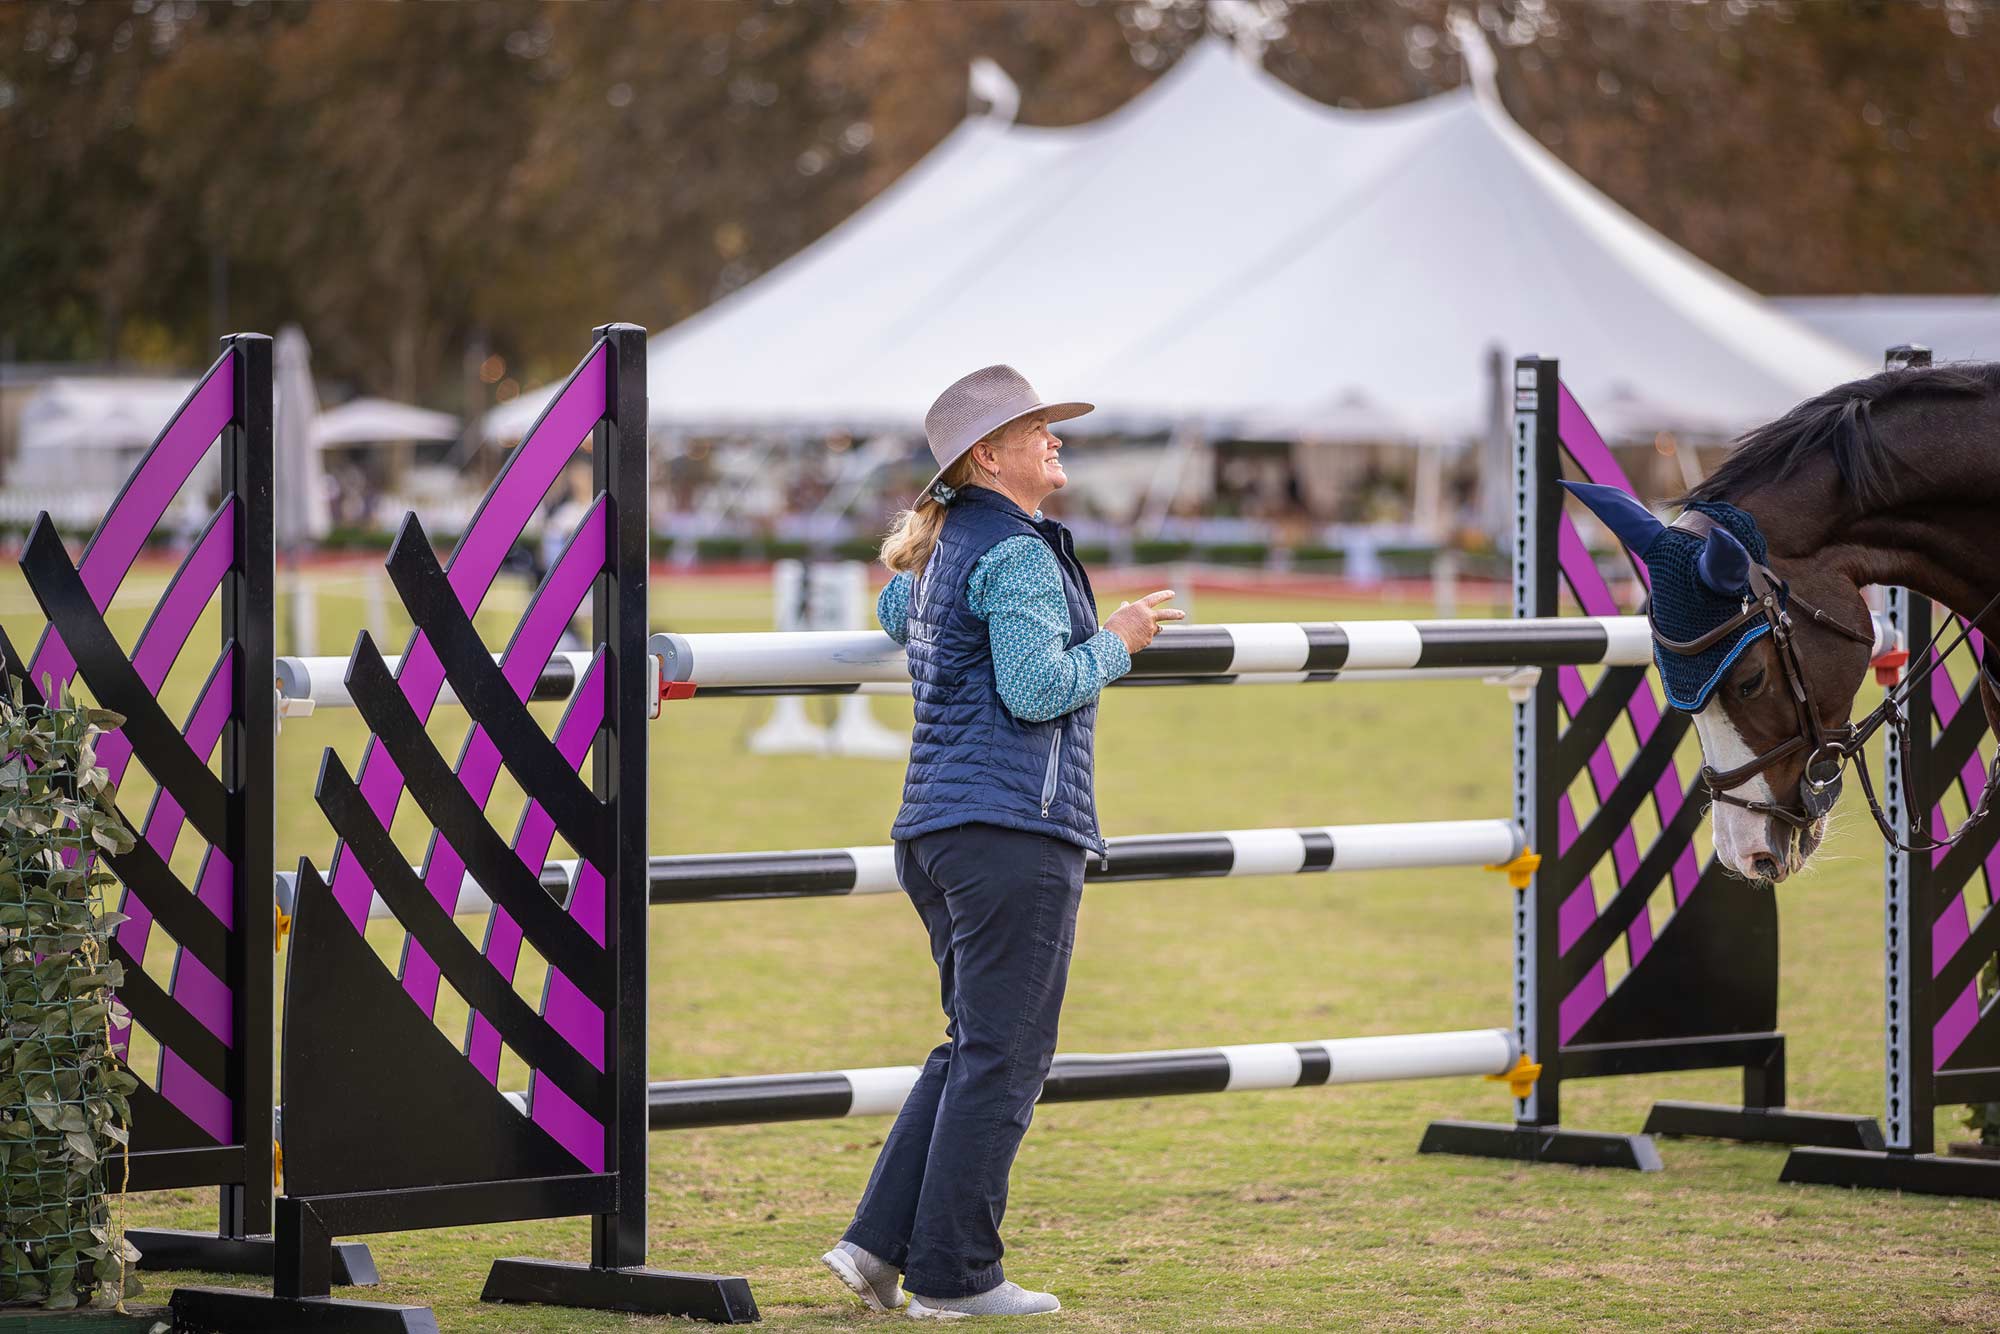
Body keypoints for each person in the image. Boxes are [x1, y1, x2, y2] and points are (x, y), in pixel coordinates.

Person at [820, 365, 1182, 1319]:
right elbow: (1037, 690)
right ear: (989, 456)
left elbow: (900, 614)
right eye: (1038, 429)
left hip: (940, 832)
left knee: (974, 1046)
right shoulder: (1014, 552)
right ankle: (956, 1277)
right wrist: (1123, 637)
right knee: (1006, 1057)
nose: (1056, 440)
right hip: (1012, 831)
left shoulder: (953, 548)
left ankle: (875, 1247)